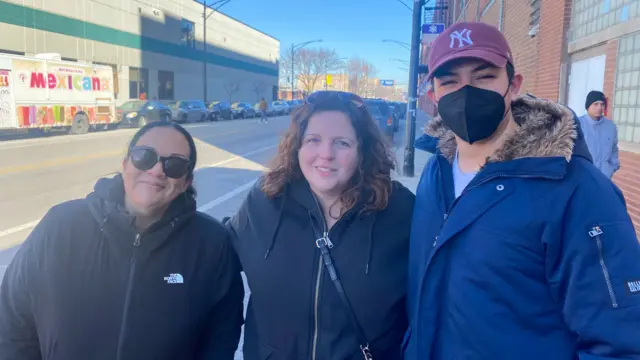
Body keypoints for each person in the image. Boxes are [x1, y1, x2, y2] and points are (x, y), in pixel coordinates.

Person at [404, 22, 640, 360]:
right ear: (434, 96)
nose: (465, 92)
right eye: (450, 81)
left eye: (484, 76)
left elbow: (621, 341)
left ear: (513, 85)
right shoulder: (434, 173)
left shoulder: (576, 190)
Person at [0, 121, 244, 360]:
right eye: (144, 156)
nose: (157, 170)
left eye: (174, 165)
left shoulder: (212, 245)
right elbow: (12, 318)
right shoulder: (60, 226)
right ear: (126, 164)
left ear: (186, 182)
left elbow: (222, 336)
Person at [225, 90, 415, 360]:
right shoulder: (266, 200)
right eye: (313, 140)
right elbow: (217, 258)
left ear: (362, 150)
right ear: (297, 146)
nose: (326, 154)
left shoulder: (399, 211)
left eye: (342, 143)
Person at [578, 90, 620, 178]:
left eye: (602, 104)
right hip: (583, 176)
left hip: (604, 177)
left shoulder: (610, 126)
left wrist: (612, 166)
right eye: (596, 104)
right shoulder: (578, 125)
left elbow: (614, 148)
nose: (599, 107)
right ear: (588, 106)